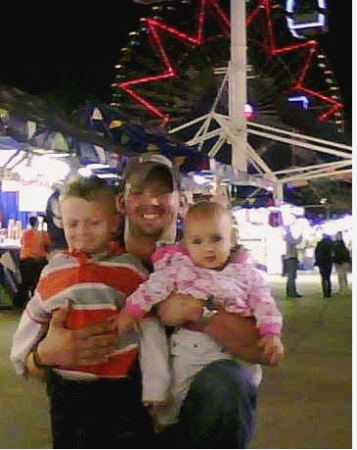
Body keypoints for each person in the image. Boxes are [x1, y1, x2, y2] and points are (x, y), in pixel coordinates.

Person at [20, 154, 276, 449]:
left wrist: (199, 310)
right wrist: (45, 355)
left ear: (181, 202)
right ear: (121, 202)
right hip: (110, 421)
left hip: (188, 421)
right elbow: (30, 362)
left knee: (229, 381)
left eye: (162, 192)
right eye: (138, 192)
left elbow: (266, 352)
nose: (150, 202)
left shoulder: (221, 261)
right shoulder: (83, 268)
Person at [10, 175, 154, 448]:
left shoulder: (130, 269)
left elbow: (148, 324)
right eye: (73, 224)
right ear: (61, 224)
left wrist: (156, 383)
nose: (82, 232)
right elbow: (34, 313)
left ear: (113, 224)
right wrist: (22, 357)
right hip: (66, 386)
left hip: (119, 385)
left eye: (94, 222)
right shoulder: (54, 269)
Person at [116, 201, 284, 428]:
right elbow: (151, 288)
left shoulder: (247, 274)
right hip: (191, 345)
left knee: (238, 389)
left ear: (232, 239)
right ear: (186, 244)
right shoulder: (180, 269)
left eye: (216, 239)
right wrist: (131, 311)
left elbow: (264, 303)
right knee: (178, 393)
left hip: (234, 351)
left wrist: (271, 333)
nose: (208, 248)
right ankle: (166, 423)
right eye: (198, 241)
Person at [13, 216, 51, 308]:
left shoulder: (25, 233)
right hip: (39, 261)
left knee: (25, 283)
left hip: (26, 260)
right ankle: (36, 305)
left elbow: (22, 243)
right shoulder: (43, 234)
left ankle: (18, 304)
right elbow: (48, 245)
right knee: (38, 283)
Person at [283, 229, 303, 298]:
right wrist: (300, 235)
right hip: (291, 258)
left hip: (291, 258)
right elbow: (296, 242)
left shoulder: (288, 238)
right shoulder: (289, 238)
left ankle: (291, 292)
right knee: (292, 276)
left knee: (291, 276)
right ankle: (291, 293)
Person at [314, 233, 334, 298]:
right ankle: (329, 292)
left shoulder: (319, 244)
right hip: (328, 262)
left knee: (323, 278)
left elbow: (316, 253)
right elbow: (332, 253)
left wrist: (317, 261)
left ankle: (325, 293)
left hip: (321, 263)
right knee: (328, 278)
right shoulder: (331, 244)